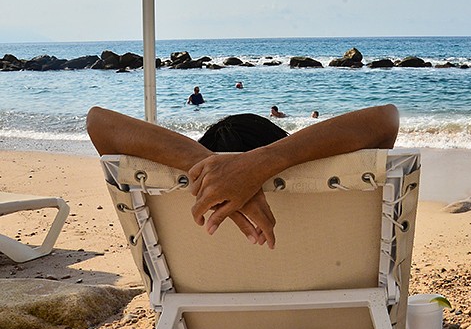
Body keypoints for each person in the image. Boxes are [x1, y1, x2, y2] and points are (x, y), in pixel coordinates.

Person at [86, 105, 399, 250]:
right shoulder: (320, 204)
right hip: (337, 314)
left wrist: (208, 165)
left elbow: (99, 122)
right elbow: (386, 120)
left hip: (210, 324)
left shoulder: (190, 233)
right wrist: (265, 162)